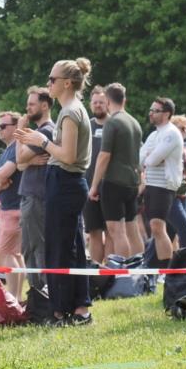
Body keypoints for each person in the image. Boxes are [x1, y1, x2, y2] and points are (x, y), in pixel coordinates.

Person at [15, 58, 93, 325]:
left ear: (67, 83)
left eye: (52, 80)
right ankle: (78, 308)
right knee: (72, 248)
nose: (49, 85)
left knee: (60, 250)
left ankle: (62, 310)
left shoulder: (70, 111)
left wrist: (43, 141)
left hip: (66, 181)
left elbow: (68, 156)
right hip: (66, 182)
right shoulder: (71, 109)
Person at [88, 82, 144, 258]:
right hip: (131, 184)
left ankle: (123, 275)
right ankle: (139, 274)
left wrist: (94, 185)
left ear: (108, 101)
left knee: (117, 232)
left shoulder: (112, 122)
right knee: (132, 230)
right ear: (124, 100)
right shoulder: (134, 122)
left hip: (114, 182)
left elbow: (104, 156)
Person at [16, 86, 56, 291]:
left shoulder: (46, 130)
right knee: (29, 247)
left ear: (44, 105)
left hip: (37, 197)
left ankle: (42, 292)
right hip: (32, 196)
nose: (27, 108)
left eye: (32, 104)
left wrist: (20, 131)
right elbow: (21, 164)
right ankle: (37, 292)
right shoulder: (38, 133)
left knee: (37, 246)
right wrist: (29, 161)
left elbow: (19, 158)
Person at [139, 98, 184, 267]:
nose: (151, 113)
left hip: (164, 185)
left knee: (158, 226)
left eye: (155, 110)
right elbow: (140, 159)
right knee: (156, 227)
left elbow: (152, 160)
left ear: (166, 114)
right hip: (151, 185)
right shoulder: (154, 134)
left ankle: (165, 271)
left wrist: (151, 157)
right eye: (151, 109)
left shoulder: (171, 133)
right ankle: (162, 269)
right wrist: (150, 157)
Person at [0, 111, 25, 299]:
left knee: (6, 253)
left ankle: (14, 298)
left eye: (3, 126)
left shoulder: (18, 146)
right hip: (9, 207)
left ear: (15, 127)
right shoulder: (2, 154)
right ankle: (17, 298)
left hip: (15, 207)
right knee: (15, 255)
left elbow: (4, 174)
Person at [83, 86, 109, 263]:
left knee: (113, 231)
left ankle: (113, 272)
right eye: (95, 102)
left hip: (110, 187)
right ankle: (97, 272)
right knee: (94, 232)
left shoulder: (114, 124)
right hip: (88, 187)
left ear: (107, 103)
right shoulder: (86, 126)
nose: (98, 105)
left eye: (101, 102)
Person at [168, 115, 186, 249]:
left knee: (169, 233)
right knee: (185, 231)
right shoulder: (173, 147)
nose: (185, 132)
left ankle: (153, 263)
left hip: (180, 195)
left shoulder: (183, 148)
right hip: (171, 196)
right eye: (182, 128)